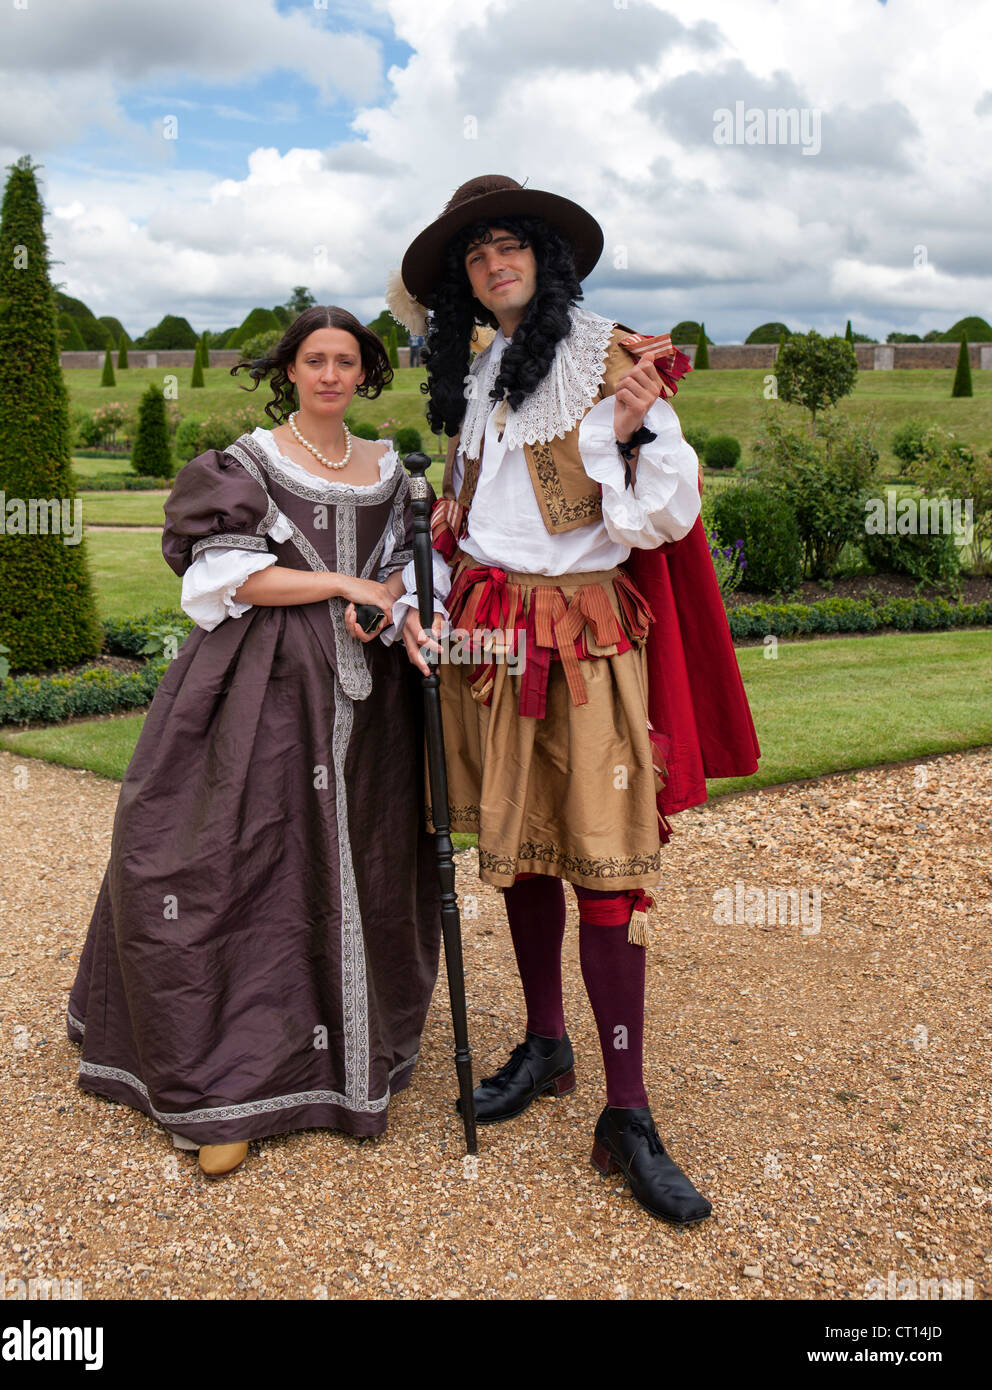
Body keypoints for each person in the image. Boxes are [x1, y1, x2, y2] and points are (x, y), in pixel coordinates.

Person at [382, 176, 760, 1225]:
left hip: (584, 634)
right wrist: (420, 589)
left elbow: (660, 519)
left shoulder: (613, 360)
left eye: (509, 245)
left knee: (606, 867)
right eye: (474, 256)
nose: (493, 264)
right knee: (521, 848)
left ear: (544, 257)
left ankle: (627, 1111)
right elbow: (468, 517)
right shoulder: (479, 372)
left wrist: (631, 428)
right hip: (489, 632)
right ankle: (547, 1044)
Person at [67, 305, 443, 1178]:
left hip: (369, 704)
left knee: (362, 861)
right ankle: (226, 1082)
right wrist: (343, 582)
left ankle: (351, 1053)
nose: (330, 375)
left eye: (346, 361)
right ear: (289, 371)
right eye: (314, 360)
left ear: (366, 372)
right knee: (236, 864)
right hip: (257, 695)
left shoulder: (393, 468)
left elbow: (405, 568)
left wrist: (394, 600)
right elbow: (229, 578)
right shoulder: (246, 463)